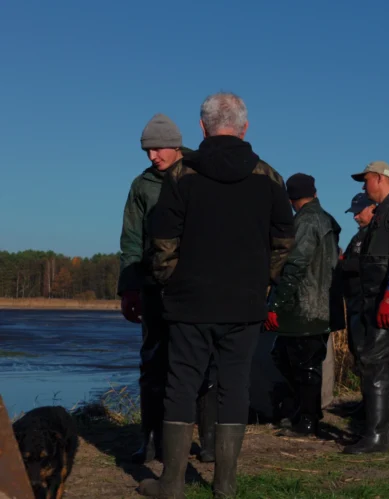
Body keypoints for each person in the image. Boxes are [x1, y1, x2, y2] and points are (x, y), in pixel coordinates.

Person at [139, 92, 295, 498]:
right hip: (243, 303)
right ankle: (224, 485)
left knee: (181, 384)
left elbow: (162, 239)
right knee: (234, 386)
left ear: (202, 128)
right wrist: (263, 281)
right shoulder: (269, 178)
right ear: (244, 128)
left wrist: (171, 281)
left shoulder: (181, 176)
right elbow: (284, 240)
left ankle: (171, 483)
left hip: (189, 302)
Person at [117, 114, 218, 465]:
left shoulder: (201, 172)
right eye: (147, 150)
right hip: (152, 286)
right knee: (153, 362)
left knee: (203, 362)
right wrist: (129, 288)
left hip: (196, 285)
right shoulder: (141, 186)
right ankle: (152, 441)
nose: (152, 157)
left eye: (157, 149)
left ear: (175, 145)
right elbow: (131, 239)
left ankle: (208, 442)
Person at [342, 161, 389, 455]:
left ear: (378, 178)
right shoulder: (386, 211)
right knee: (387, 363)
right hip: (380, 295)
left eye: (365, 182)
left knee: (373, 360)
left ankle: (375, 436)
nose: (364, 187)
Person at [265, 173, 342, 438]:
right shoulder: (327, 219)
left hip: (305, 307)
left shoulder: (307, 221)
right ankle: (303, 413)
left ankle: (308, 421)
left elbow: (296, 264)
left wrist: (275, 302)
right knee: (288, 358)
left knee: (304, 364)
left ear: (291, 198)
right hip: (318, 304)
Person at [340, 192, 377, 400]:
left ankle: (371, 405)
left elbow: (365, 263)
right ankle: (366, 401)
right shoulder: (359, 236)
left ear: (372, 208)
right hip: (353, 301)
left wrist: (341, 263)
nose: (355, 217)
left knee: (366, 354)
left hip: (364, 302)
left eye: (358, 212)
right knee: (357, 351)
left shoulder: (375, 235)